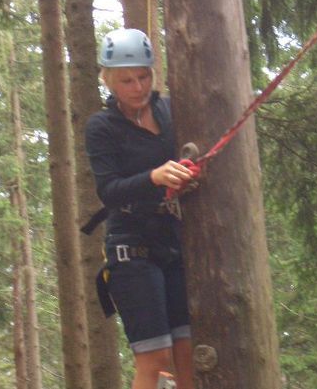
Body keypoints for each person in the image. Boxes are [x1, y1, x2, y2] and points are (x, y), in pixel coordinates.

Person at [85, 28, 195, 389]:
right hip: (131, 247)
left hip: (173, 241)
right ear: (110, 81)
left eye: (143, 76)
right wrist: (154, 177)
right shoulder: (102, 127)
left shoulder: (168, 110)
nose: (137, 87)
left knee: (188, 354)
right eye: (126, 80)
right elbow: (110, 190)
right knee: (156, 360)